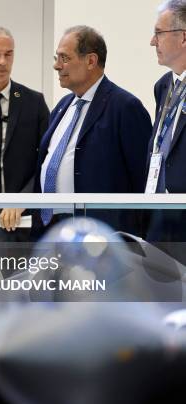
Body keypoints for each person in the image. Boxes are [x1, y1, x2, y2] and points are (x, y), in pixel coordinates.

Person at [35, 25, 151, 234]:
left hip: (102, 237)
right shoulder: (62, 106)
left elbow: (142, 181)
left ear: (91, 61)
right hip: (53, 231)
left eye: (65, 58)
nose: (56, 66)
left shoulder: (124, 107)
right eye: (56, 58)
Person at [0, 25, 49, 236]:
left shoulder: (33, 102)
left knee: (23, 271)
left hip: (21, 220)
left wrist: (22, 200)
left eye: (8, 54)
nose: (2, 62)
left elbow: (47, 161)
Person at [146, 0, 186, 250]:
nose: (152, 41)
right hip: (160, 220)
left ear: (183, 38)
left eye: (158, 33)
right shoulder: (163, 86)